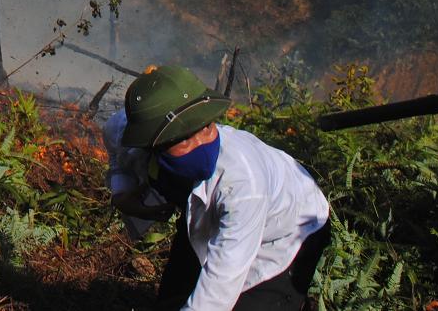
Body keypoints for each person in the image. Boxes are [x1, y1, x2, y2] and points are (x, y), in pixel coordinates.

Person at [109, 64, 331, 311]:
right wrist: (122, 193)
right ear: (152, 143)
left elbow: (216, 295)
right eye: (182, 138)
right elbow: (114, 144)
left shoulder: (243, 187)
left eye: (205, 126)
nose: (202, 141)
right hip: (208, 216)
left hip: (286, 231)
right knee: (174, 298)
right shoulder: (128, 132)